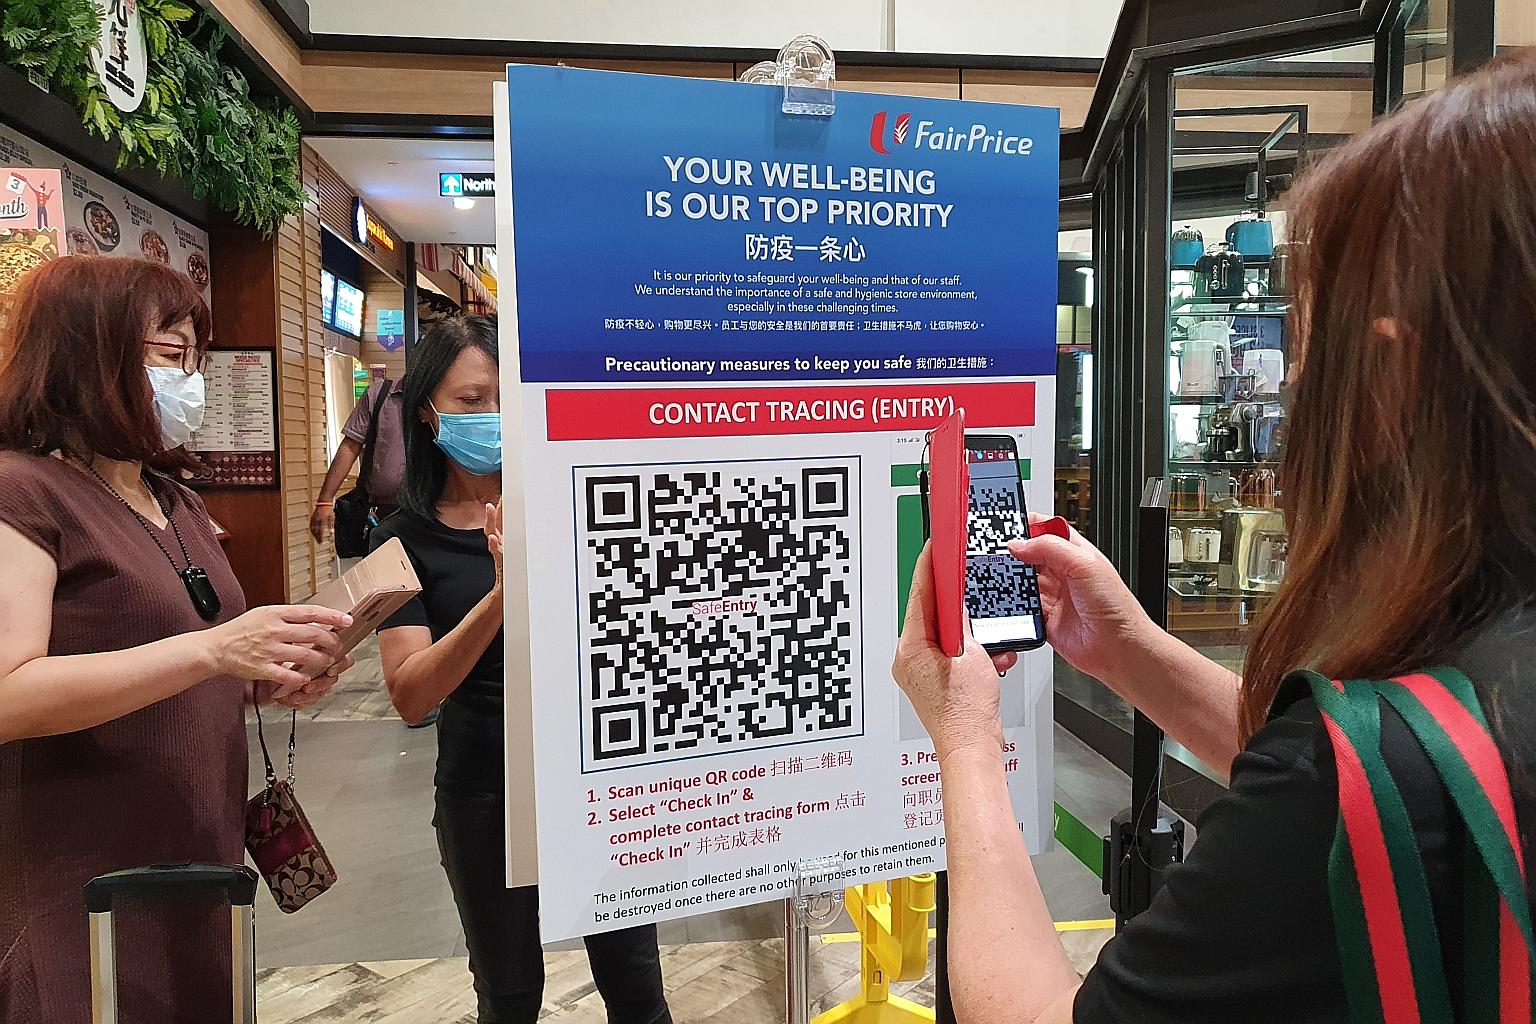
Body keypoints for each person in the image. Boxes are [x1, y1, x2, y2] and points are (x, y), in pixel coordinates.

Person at [892, 55, 1536, 1024]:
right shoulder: (1457, 703)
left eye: (1304, 340)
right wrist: (1130, 652)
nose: (1286, 383)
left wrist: (965, 738)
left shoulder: (1378, 749)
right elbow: (1389, 808)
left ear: (1394, 374)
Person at [0, 256, 355, 1023]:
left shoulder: (175, 499)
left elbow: (187, 653)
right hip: (82, 869)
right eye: (168, 358)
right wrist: (214, 652)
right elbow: (9, 692)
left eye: (194, 358)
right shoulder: (22, 491)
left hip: (198, 855)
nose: (188, 381)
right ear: (90, 357)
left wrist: (269, 673)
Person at [371, 315, 672, 1024]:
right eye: (472, 401)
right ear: (428, 412)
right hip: (483, 781)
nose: (493, 416)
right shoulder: (401, 538)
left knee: (636, 986)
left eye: (505, 397)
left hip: (597, 769)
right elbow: (411, 693)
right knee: (508, 994)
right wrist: (503, 598)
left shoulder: (577, 500)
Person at [310, 364, 406, 542]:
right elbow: (350, 445)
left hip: (431, 513)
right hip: (380, 511)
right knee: (378, 568)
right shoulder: (379, 394)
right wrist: (325, 501)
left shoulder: (444, 400)